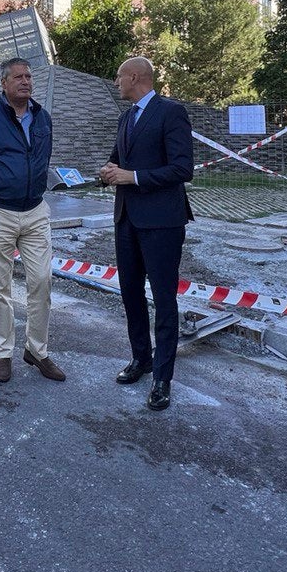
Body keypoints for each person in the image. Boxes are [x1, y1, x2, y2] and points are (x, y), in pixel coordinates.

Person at [0, 58, 65, 385]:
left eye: (29, 76)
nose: (26, 82)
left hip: (35, 211)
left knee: (41, 281)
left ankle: (37, 350)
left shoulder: (43, 118)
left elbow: (43, 159)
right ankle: (3, 353)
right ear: (4, 83)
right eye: (18, 77)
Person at [98, 56, 194, 412]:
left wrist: (132, 177)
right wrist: (107, 171)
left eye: (118, 76)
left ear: (135, 77)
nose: (116, 82)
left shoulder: (171, 112)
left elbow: (183, 168)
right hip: (126, 219)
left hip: (162, 223)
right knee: (130, 295)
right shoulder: (126, 117)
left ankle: (162, 378)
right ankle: (142, 359)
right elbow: (117, 162)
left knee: (164, 301)